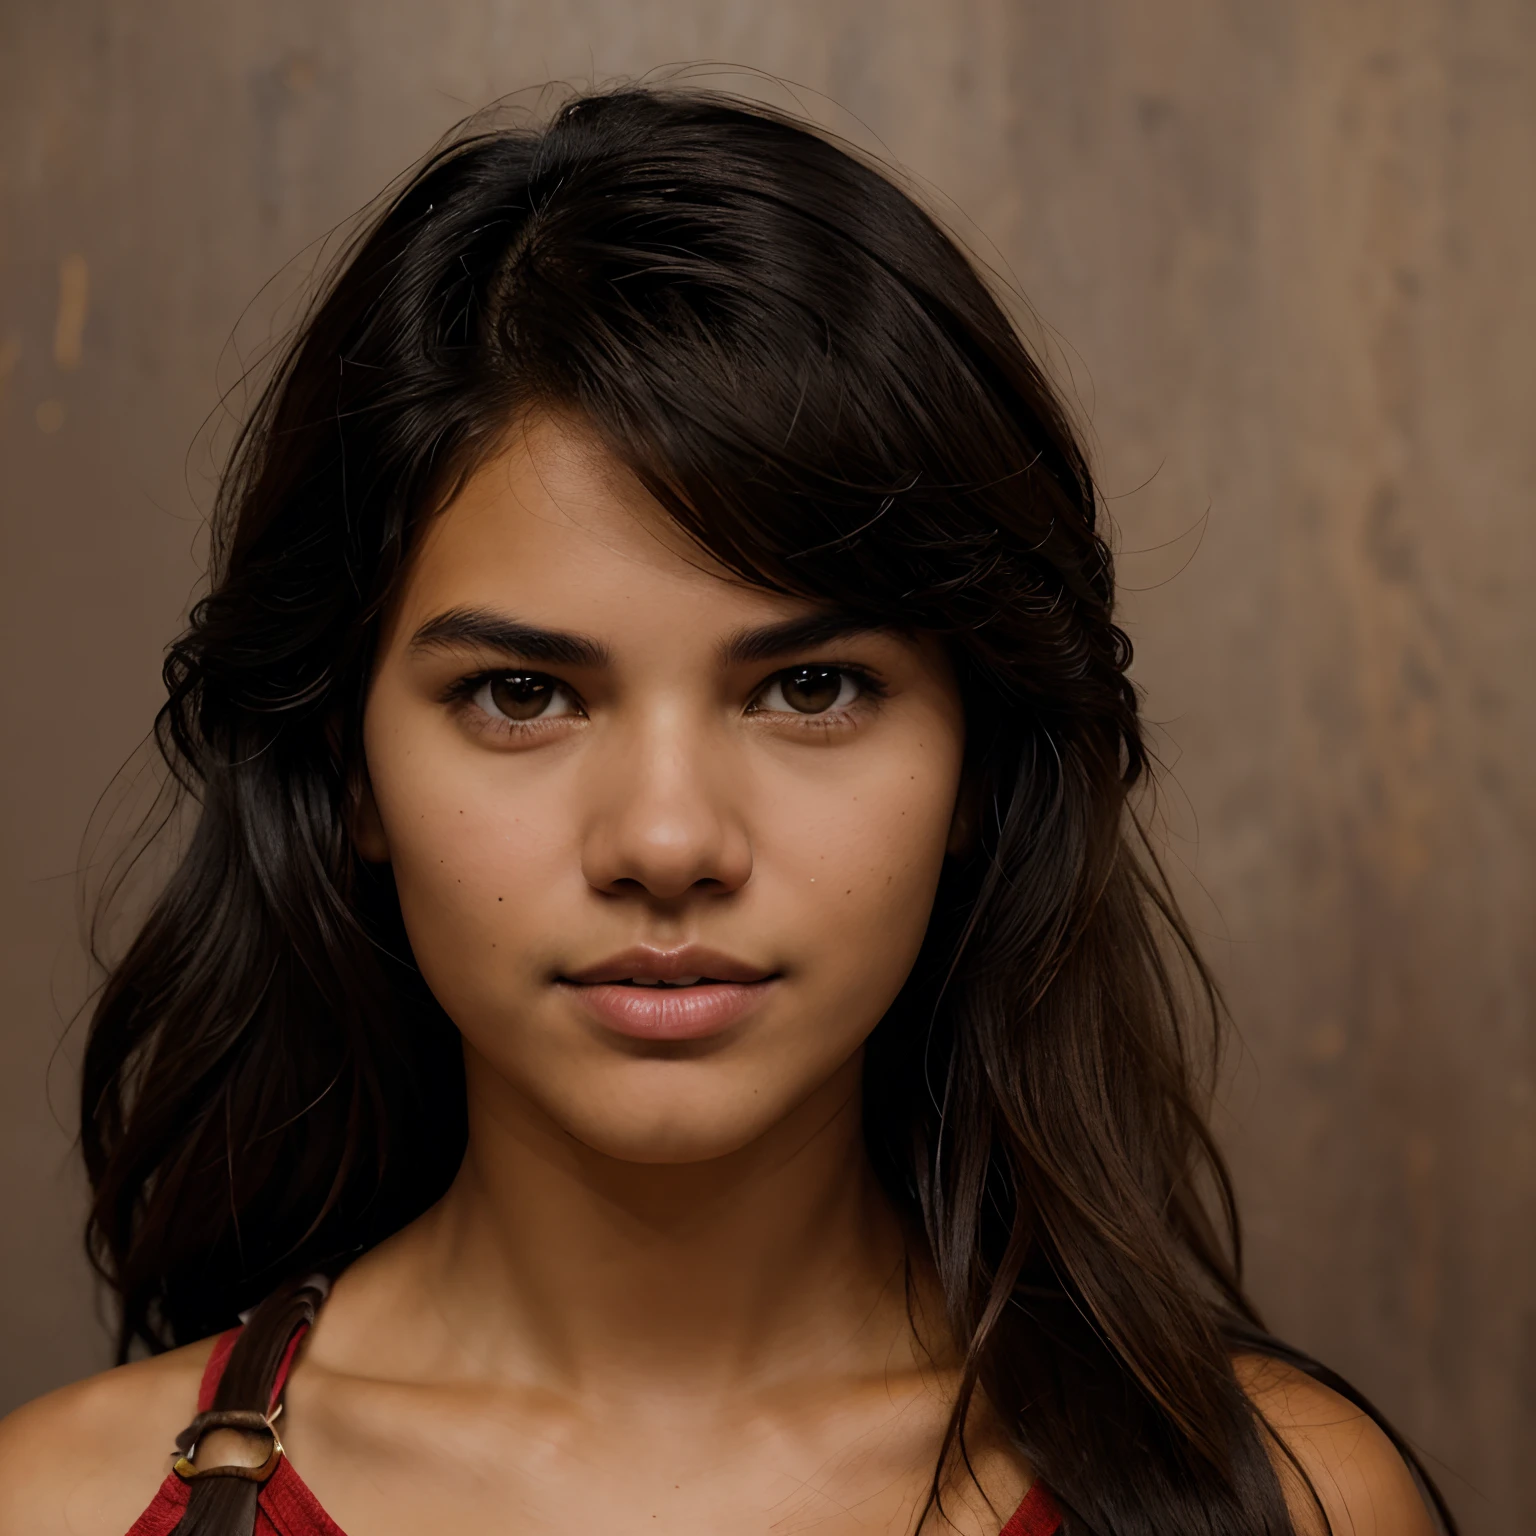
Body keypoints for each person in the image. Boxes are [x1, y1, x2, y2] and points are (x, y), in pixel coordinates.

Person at [0, 87, 1452, 1536]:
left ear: (979, 767)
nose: (669, 843)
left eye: (810, 687)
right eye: (521, 695)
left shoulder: (1291, 1503)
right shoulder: (58, 1508)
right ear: (347, 772)